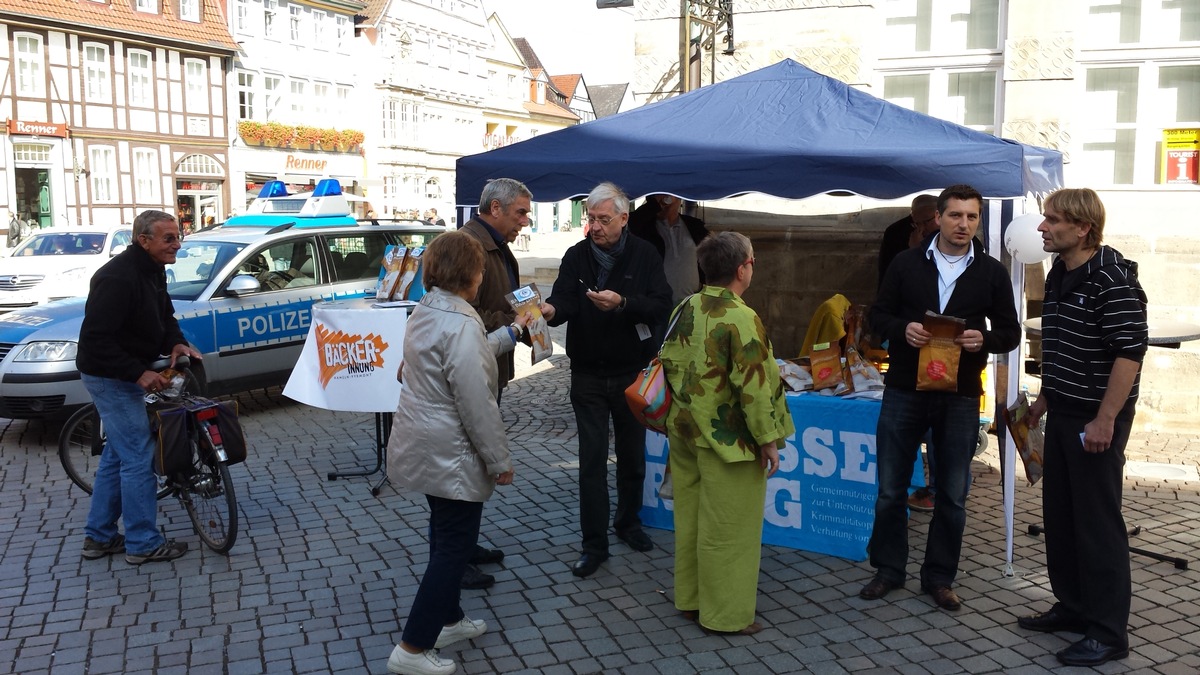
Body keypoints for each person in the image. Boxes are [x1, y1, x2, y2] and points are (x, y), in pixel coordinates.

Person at [860, 184, 1020, 611]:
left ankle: (939, 577)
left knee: (952, 494)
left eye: (972, 217)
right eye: (956, 216)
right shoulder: (906, 263)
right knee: (891, 490)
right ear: (939, 218)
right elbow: (878, 315)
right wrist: (901, 329)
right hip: (905, 391)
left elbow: (1011, 332)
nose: (963, 224)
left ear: (978, 220)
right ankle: (889, 570)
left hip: (961, 395)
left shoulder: (991, 272)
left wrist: (982, 339)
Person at [1016, 188, 1147, 668]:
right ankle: (1073, 609)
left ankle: (1109, 632)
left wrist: (1105, 419)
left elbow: (1129, 353)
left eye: (1051, 219)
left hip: (1097, 419)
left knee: (1097, 527)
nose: (1041, 227)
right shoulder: (1059, 273)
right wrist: (1045, 399)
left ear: (1082, 228)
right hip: (1066, 411)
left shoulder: (1111, 278)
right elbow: (1061, 342)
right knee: (1063, 519)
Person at [384, 231, 524, 675]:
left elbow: (460, 354)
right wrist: (499, 461)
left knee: (445, 535)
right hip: (451, 452)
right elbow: (476, 403)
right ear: (472, 273)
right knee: (453, 549)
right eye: (482, 268)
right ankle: (411, 648)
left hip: (427, 444)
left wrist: (514, 332)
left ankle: (447, 619)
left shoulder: (429, 309)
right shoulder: (460, 322)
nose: (484, 275)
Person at [659, 231, 794, 635]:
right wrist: (768, 439)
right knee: (730, 529)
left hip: (683, 431)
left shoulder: (686, 305)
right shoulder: (740, 316)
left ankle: (691, 599)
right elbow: (752, 386)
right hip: (727, 440)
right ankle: (726, 616)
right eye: (752, 260)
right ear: (742, 268)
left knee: (691, 519)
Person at [542, 182, 673, 578]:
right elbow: (564, 299)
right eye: (590, 219)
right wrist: (549, 310)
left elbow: (661, 305)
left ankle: (628, 523)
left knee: (632, 458)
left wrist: (624, 304)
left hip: (631, 372)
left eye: (602, 219)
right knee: (592, 461)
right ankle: (593, 544)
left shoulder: (645, 254)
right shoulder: (577, 256)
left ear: (623, 219)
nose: (595, 227)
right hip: (587, 374)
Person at [76, 209, 203, 565]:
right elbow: (96, 340)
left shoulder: (153, 269)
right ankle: (143, 542)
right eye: (168, 239)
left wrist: (176, 342)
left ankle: (98, 538)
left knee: (118, 456)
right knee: (137, 456)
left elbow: (165, 316)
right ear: (143, 240)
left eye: (178, 237)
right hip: (108, 376)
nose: (176, 244)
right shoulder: (118, 277)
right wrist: (137, 373)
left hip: (122, 372)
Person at [457, 177, 532, 590]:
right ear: (496, 208)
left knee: (475, 464)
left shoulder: (497, 245)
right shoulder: (469, 247)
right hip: (475, 365)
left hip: (491, 364)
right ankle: (456, 555)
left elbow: (501, 300)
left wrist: (527, 311)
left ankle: (466, 544)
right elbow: (464, 313)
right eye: (520, 211)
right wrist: (514, 324)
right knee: (467, 464)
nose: (526, 219)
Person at [876, 194, 942, 513]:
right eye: (917, 222)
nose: (923, 227)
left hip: (943, 363)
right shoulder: (903, 251)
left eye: (927, 221)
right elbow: (885, 307)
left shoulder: (971, 257)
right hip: (907, 361)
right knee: (902, 432)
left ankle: (939, 489)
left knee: (938, 429)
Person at [628, 194, 710, 306]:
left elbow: (709, 261)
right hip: (653, 309)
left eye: (667, 195)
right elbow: (629, 224)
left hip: (688, 308)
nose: (663, 199)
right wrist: (654, 205)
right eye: (656, 196)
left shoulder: (694, 227)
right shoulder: (643, 228)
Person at [878, 194, 939, 289]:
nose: (921, 229)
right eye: (917, 223)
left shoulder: (949, 233)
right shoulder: (898, 232)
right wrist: (915, 251)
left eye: (926, 222)